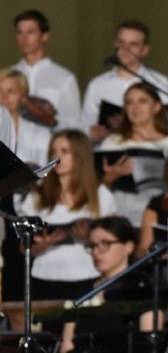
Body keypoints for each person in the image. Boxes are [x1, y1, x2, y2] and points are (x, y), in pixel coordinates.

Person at [14, 129, 117, 301]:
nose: (57, 157)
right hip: (45, 276)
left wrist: (88, 237)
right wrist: (45, 243)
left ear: (80, 156)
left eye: (64, 151)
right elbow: (23, 248)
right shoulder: (36, 196)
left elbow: (114, 238)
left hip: (87, 275)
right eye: (53, 151)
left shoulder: (100, 195)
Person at [61, 216, 158, 353]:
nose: (96, 252)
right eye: (92, 245)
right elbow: (66, 345)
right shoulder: (82, 291)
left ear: (128, 247)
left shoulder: (141, 289)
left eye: (105, 243)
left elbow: (149, 347)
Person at [79, 19, 168, 144]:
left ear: (145, 50)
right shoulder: (97, 85)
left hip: (150, 154)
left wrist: (126, 128)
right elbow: (84, 127)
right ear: (114, 44)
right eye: (121, 43)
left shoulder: (160, 83)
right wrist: (92, 134)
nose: (125, 49)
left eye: (133, 44)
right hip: (108, 153)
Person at [97, 81, 168, 228]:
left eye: (142, 101)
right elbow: (96, 188)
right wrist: (109, 178)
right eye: (129, 103)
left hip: (156, 219)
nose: (135, 108)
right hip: (119, 219)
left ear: (157, 106)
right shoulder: (113, 143)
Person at [9, 9, 82, 130]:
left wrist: (48, 119)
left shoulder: (64, 78)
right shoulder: (7, 77)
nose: (24, 38)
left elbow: (73, 125)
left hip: (49, 146)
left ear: (45, 37)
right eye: (19, 33)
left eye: (30, 32)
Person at [0, 68, 51, 167]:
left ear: (23, 97)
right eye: (0, 91)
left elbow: (45, 176)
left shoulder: (40, 134)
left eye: (11, 91)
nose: (4, 97)